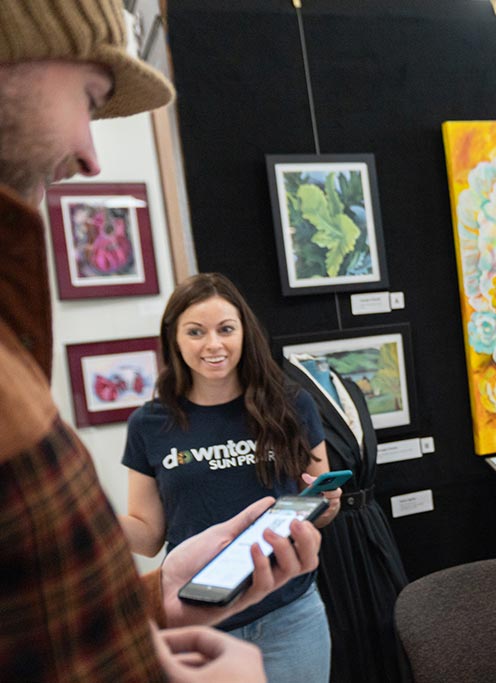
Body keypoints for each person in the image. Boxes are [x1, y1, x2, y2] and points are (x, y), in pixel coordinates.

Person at [0, 1, 322, 680]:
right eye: (90, 98)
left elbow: (38, 629)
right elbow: (137, 532)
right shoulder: (151, 420)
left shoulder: (287, 398)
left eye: (226, 328)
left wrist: (154, 597)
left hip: (284, 611)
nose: (91, 153)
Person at [117, 272, 340, 683]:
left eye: (226, 329)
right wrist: (88, 520)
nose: (213, 345)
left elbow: (319, 507)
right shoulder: (148, 424)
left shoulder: (292, 405)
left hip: (290, 617)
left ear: (245, 332)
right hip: (200, 622)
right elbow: (148, 537)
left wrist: (325, 504)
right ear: (174, 339)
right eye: (196, 332)